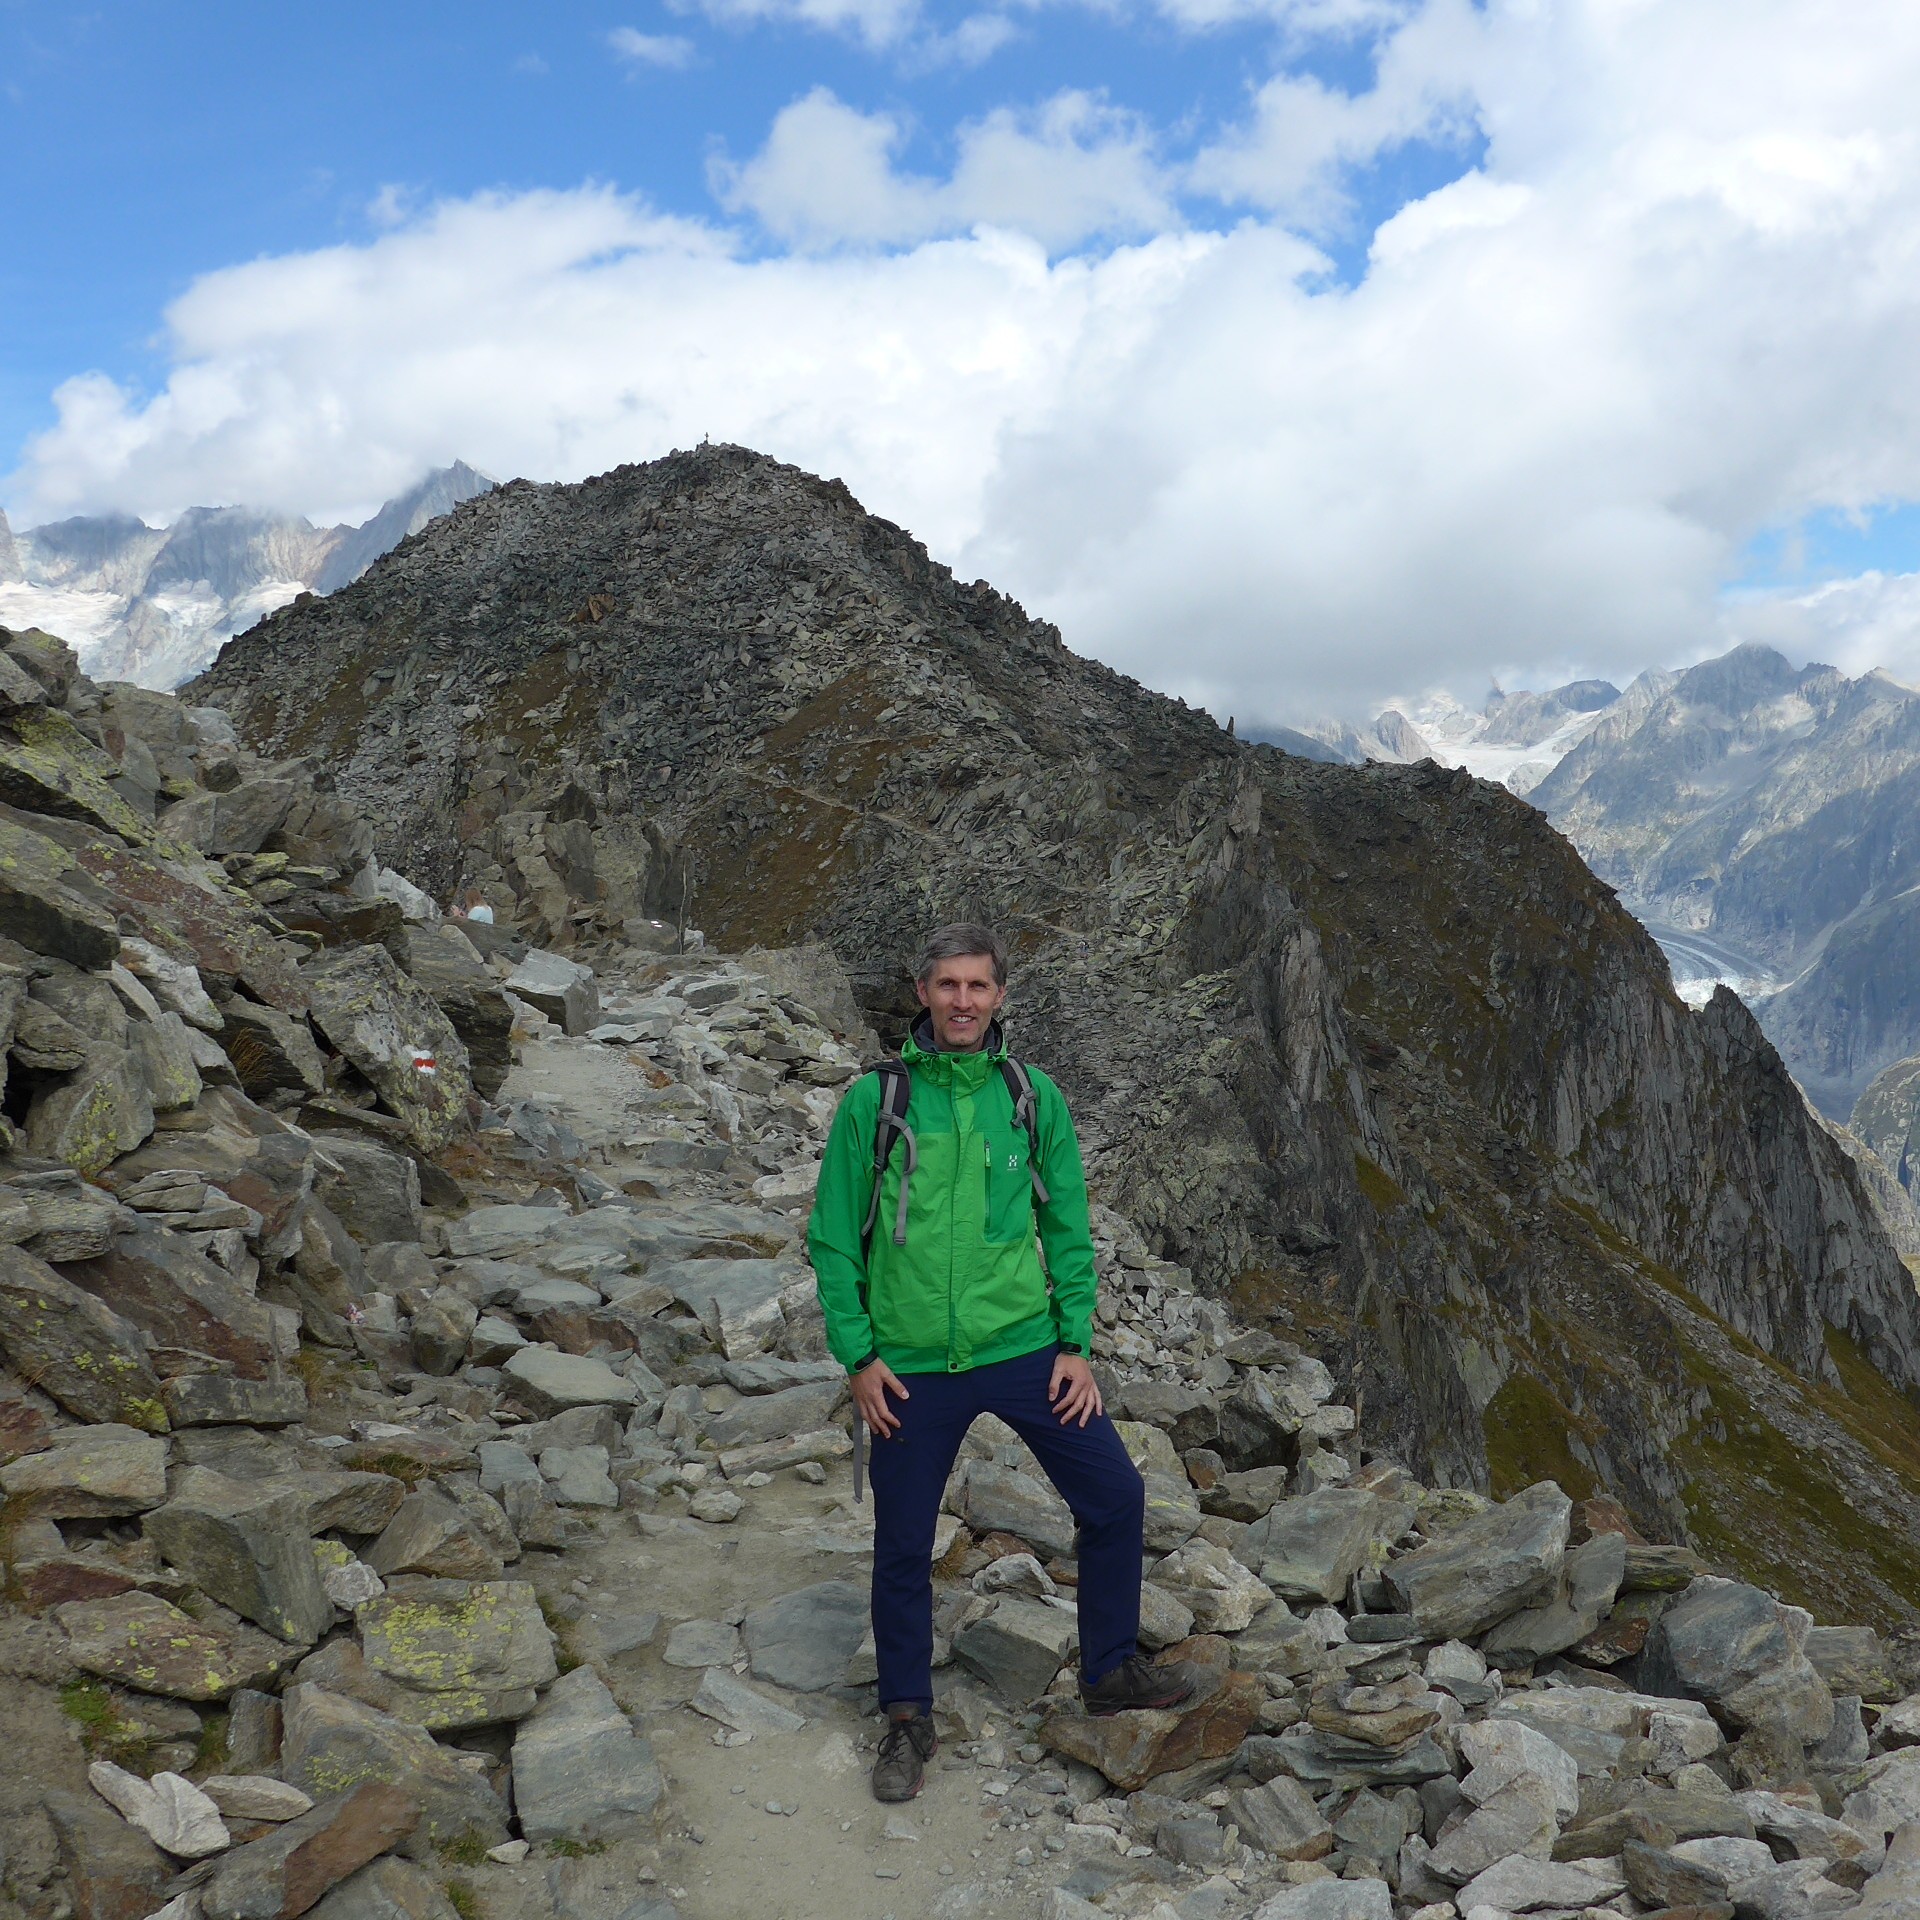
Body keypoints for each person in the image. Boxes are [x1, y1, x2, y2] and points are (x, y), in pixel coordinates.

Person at [809, 924, 1194, 1804]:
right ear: (922, 992)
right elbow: (832, 1240)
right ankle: (907, 1717)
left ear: (1000, 997)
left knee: (1116, 1498)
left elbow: (1066, 1225)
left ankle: (1108, 1672)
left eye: (978, 987)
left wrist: (1074, 1345)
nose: (962, 1002)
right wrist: (858, 1361)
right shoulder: (876, 1101)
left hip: (1024, 1347)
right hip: (908, 1366)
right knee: (903, 1545)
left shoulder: (1031, 1096)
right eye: (947, 985)